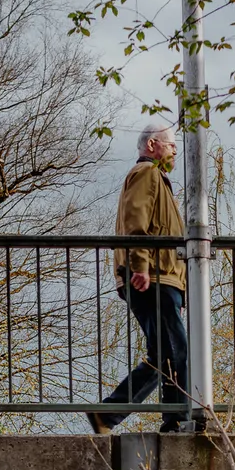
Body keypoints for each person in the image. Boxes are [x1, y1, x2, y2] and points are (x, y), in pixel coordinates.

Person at [88, 122, 191, 435]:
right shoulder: (146, 174)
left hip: (163, 278)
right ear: (152, 146)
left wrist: (180, 289)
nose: (175, 149)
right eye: (171, 144)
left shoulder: (158, 179)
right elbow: (137, 223)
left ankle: (162, 419)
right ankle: (173, 418)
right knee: (175, 351)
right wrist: (141, 266)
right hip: (154, 276)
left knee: (167, 353)